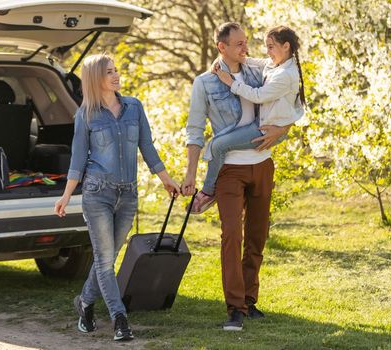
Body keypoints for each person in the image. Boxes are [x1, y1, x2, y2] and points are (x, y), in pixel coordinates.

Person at [54, 54, 180, 341]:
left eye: (115, 70)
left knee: (106, 260)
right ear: (94, 79)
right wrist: (66, 195)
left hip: (128, 195)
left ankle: (85, 302)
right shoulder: (85, 116)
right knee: (104, 258)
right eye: (108, 72)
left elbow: (147, 147)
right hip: (97, 194)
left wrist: (166, 180)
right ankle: (119, 318)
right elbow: (77, 160)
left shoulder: (134, 107)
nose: (115, 76)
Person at [182, 22, 294, 331]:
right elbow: (195, 132)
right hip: (229, 170)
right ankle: (235, 307)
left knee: (257, 235)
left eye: (246, 42)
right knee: (232, 235)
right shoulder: (204, 83)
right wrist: (192, 174)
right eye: (239, 44)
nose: (246, 48)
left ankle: (249, 299)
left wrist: (283, 130)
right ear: (222, 47)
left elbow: (286, 107)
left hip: (263, 164)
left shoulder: (260, 74)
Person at [192, 25, 306, 212]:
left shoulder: (286, 74)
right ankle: (210, 189)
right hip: (263, 124)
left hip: (266, 129)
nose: (267, 52)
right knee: (218, 145)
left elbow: (258, 96)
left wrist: (231, 82)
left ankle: (208, 191)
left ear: (286, 46)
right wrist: (220, 60)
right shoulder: (276, 64)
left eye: (270, 47)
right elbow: (250, 60)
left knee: (218, 145)